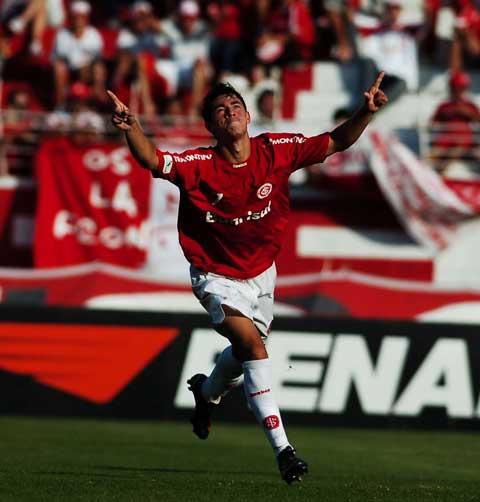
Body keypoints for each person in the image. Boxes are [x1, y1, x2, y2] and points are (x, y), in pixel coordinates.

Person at [107, 74, 388, 484]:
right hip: (216, 276)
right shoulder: (199, 165)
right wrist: (132, 127)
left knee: (243, 356)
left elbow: (336, 141)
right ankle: (284, 451)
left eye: (235, 105)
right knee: (253, 347)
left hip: (262, 273)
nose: (230, 112)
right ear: (211, 126)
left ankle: (207, 393)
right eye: (220, 110)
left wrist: (366, 111)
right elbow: (153, 159)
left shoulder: (277, 149)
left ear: (248, 115)